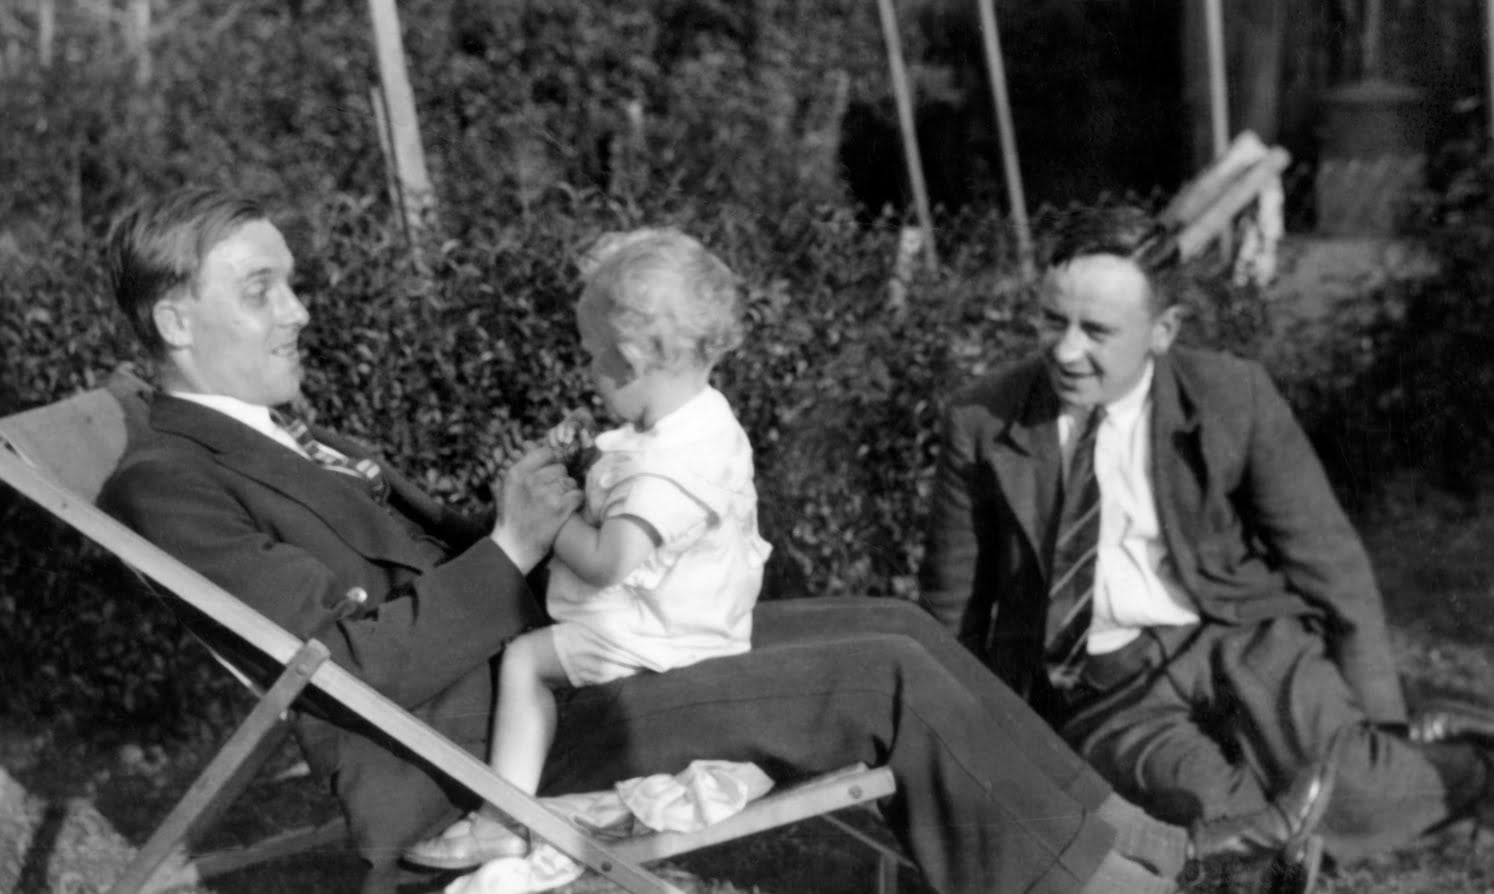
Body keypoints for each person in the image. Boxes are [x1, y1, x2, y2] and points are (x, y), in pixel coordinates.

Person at [98, 186, 1310, 894]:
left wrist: (540, 513)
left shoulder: (282, 435)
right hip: (477, 739)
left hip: (572, 655)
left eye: (291, 282)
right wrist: (516, 549)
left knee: (884, 622)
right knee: (879, 679)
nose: (301, 309)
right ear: (173, 317)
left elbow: (462, 562)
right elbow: (343, 669)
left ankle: (1153, 843)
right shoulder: (174, 480)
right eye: (263, 290)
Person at [919, 204, 1494, 874]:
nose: (1066, 350)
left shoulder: (1231, 395)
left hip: (1240, 633)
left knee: (1362, 790)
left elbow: (1325, 556)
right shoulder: (982, 420)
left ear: (1162, 330)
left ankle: (1472, 763)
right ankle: (1275, 858)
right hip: (1104, 683)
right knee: (1215, 820)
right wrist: (967, 745)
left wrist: (1382, 713)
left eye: (1097, 330)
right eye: (1052, 320)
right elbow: (952, 604)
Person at [406, 228, 772, 866]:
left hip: (661, 635)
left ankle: (503, 814)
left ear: (629, 360)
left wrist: (545, 518)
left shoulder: (667, 470)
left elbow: (610, 563)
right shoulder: (700, 421)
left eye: (591, 356)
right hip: (694, 615)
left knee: (524, 660)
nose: (586, 372)